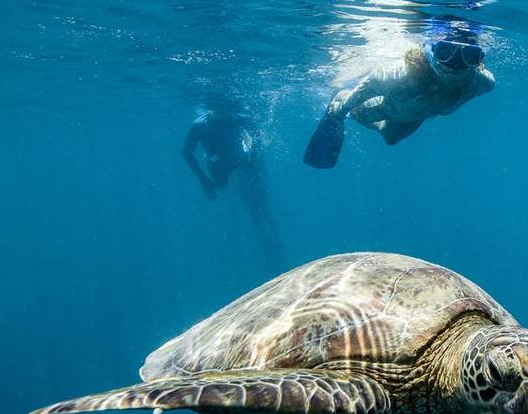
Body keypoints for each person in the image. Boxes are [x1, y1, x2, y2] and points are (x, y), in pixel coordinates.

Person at [304, 38, 495, 168]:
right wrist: (340, 110)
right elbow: (366, 88)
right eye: (446, 51)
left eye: (469, 55)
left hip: (417, 113)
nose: (455, 64)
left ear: (478, 59)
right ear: (430, 52)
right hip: (387, 107)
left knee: (391, 138)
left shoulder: (481, 83)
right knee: (354, 113)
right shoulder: (398, 75)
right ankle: (340, 96)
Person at [182, 100, 286, 268]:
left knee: (262, 206)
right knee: (243, 201)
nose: (224, 115)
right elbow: (187, 153)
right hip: (219, 167)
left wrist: (251, 155)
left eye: (226, 111)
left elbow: (257, 135)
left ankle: (272, 238)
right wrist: (204, 181)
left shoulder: (237, 118)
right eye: (220, 112)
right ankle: (266, 238)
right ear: (212, 110)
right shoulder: (200, 125)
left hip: (240, 163)